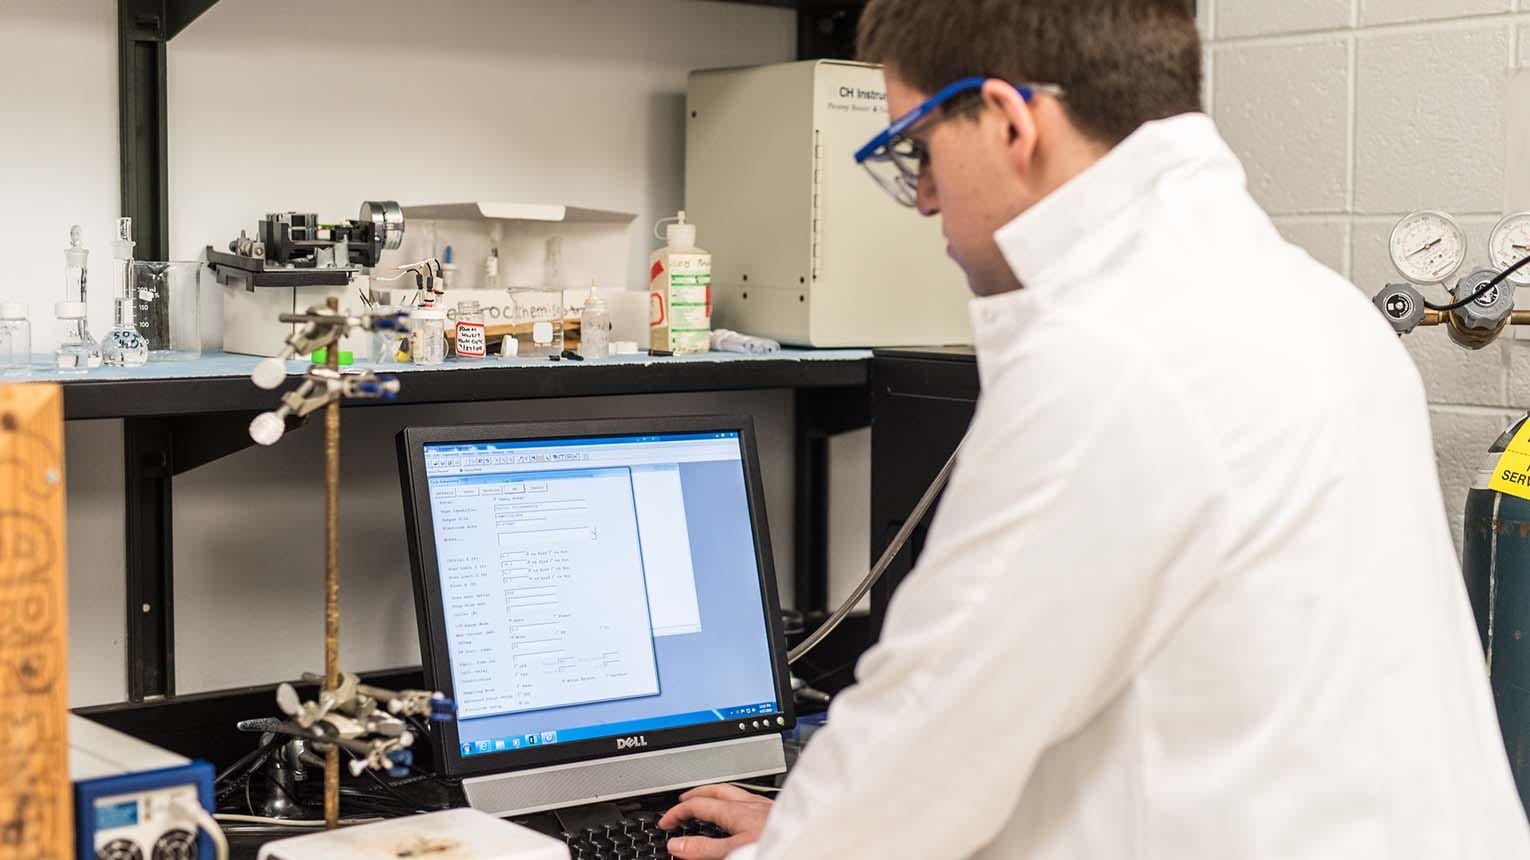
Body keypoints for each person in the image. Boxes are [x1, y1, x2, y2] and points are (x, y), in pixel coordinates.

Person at [659, 0, 1530, 857]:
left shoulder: (1113, 357)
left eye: (920, 152)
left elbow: (928, 740)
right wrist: (823, 816)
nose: (922, 198)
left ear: (1007, 123)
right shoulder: (1314, 306)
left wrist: (813, 836)